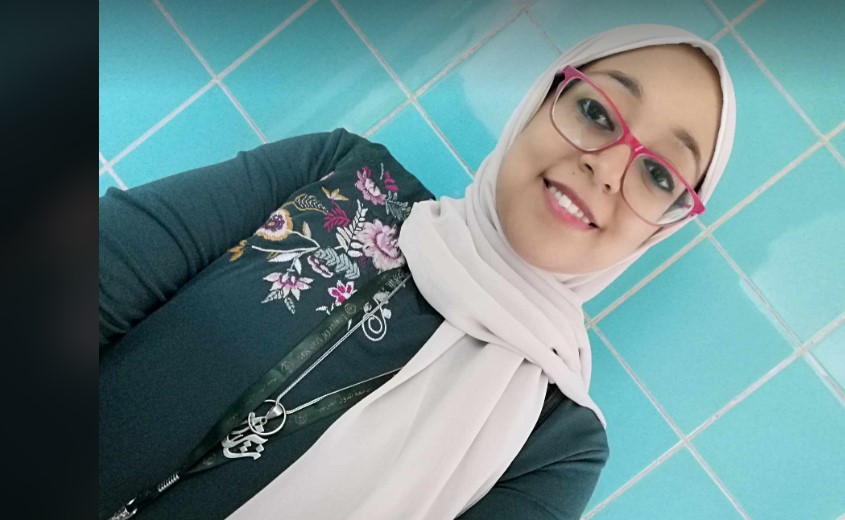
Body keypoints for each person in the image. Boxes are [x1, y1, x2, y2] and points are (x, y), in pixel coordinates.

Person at [99, 23, 736, 520]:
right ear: (543, 100)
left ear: (662, 228)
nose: (608, 167)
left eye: (659, 175)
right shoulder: (340, 177)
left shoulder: (555, 445)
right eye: (597, 112)